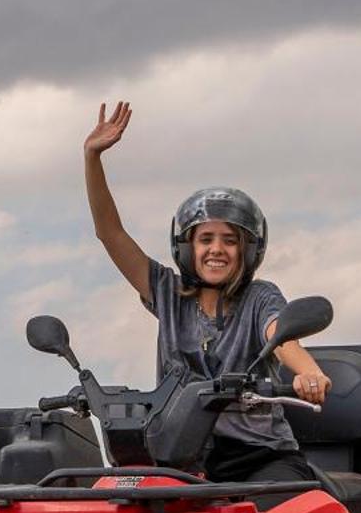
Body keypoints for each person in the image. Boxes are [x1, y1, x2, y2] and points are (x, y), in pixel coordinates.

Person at [81, 100, 332, 487]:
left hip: (259, 458)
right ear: (186, 247)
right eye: (205, 239)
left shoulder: (259, 298)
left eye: (230, 240)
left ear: (248, 251)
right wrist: (92, 159)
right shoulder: (167, 292)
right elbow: (110, 233)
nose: (217, 249)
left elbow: (281, 337)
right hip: (179, 457)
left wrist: (309, 373)